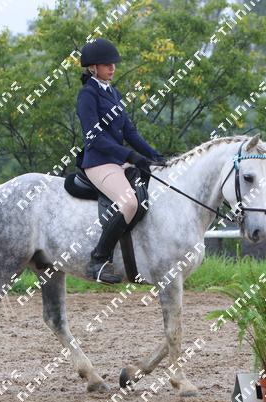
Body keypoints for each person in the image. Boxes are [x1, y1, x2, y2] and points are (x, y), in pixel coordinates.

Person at [76, 38, 166, 284]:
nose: (112, 68)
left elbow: (129, 132)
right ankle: (98, 260)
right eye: (107, 64)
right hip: (98, 162)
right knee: (129, 203)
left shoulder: (114, 93)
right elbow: (94, 137)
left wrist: (154, 155)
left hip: (117, 161)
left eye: (113, 63)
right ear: (93, 67)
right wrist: (129, 155)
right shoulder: (87, 95)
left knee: (145, 197)